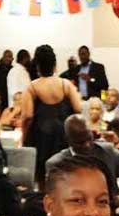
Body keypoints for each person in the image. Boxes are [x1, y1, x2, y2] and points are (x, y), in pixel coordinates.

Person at [46, 116, 119, 216]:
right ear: (68, 140)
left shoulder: (108, 152)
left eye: (89, 139)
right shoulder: (57, 164)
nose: (87, 145)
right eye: (80, 142)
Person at [22, 45, 83, 186]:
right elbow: (78, 109)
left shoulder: (32, 87)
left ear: (37, 66)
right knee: (65, 178)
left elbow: (27, 116)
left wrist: (24, 138)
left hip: (40, 139)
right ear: (55, 65)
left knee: (43, 179)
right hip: (63, 137)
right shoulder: (66, 84)